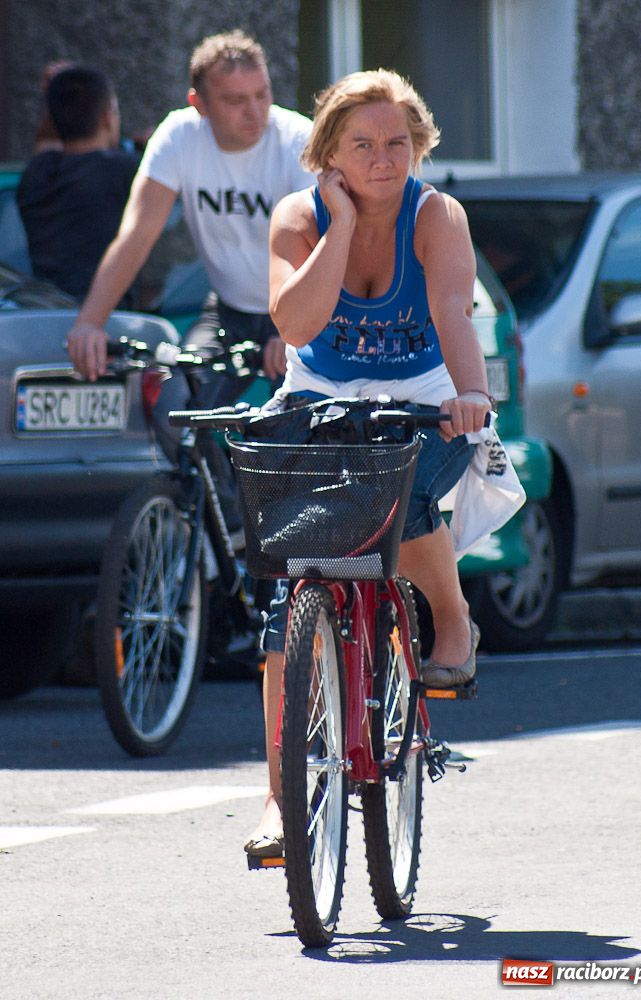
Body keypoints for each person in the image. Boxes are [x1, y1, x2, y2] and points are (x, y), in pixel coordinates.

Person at [244, 68, 494, 857]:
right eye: (362, 145)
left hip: (422, 395)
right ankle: (280, 802)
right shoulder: (299, 216)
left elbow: (451, 311)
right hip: (318, 394)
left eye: (397, 143)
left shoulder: (435, 215)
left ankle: (449, 618)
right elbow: (294, 322)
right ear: (329, 153)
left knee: (404, 495)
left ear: (416, 147)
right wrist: (341, 226)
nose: (383, 159)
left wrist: (470, 394)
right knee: (287, 595)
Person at [66, 29, 314, 388]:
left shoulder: (299, 139)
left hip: (302, 309)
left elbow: (321, 245)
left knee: (300, 418)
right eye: (235, 100)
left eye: (262, 94)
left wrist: (297, 326)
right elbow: (137, 235)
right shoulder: (179, 135)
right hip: (228, 309)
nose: (255, 111)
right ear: (199, 104)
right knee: (176, 395)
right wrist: (88, 323)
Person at [18, 65, 139, 302]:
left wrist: (59, 92)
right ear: (107, 117)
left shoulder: (37, 172)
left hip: (45, 309)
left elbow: (48, 138)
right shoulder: (122, 170)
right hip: (107, 316)